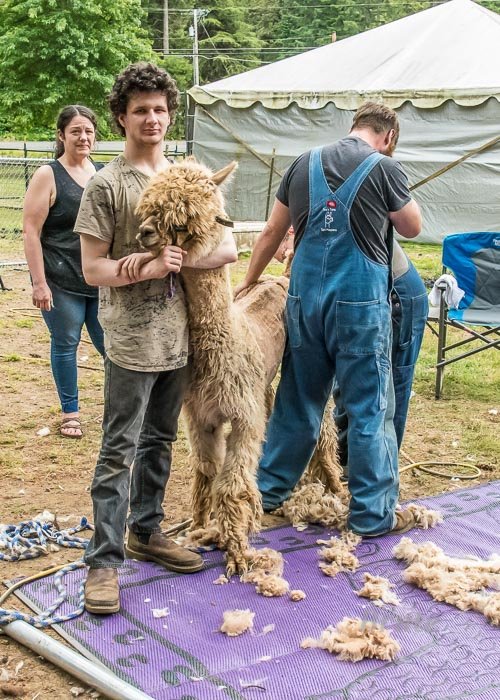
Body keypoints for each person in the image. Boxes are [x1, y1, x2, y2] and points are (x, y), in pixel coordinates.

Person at [75, 62, 238, 614]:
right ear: (121, 117)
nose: (152, 118)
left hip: (181, 336)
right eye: (140, 109)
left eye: (160, 109)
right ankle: (103, 560)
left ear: (171, 115)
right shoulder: (106, 184)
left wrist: (186, 256)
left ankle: (146, 531)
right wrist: (143, 267)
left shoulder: (188, 178)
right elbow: (92, 269)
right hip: (129, 338)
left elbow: (228, 247)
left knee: (161, 440)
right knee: (119, 446)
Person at [234, 102, 422, 537]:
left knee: (297, 401)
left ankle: (265, 493)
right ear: (388, 136)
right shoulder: (384, 167)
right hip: (359, 307)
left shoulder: (303, 163)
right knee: (370, 407)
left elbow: (271, 233)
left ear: (353, 127)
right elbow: (411, 227)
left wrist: (249, 281)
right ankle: (372, 516)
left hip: (304, 304)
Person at [23, 105, 105, 439]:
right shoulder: (48, 174)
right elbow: (30, 230)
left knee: (112, 347)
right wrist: (39, 283)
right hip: (59, 280)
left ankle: (119, 409)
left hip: (98, 279)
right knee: (66, 342)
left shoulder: (100, 173)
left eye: (88, 131)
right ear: (61, 136)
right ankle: (71, 413)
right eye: (75, 131)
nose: (82, 137)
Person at [334, 240, 428, 475]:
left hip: (394, 293)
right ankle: (345, 463)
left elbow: (411, 226)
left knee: (388, 389)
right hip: (359, 293)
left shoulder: (319, 221)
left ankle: (380, 473)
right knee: (348, 381)